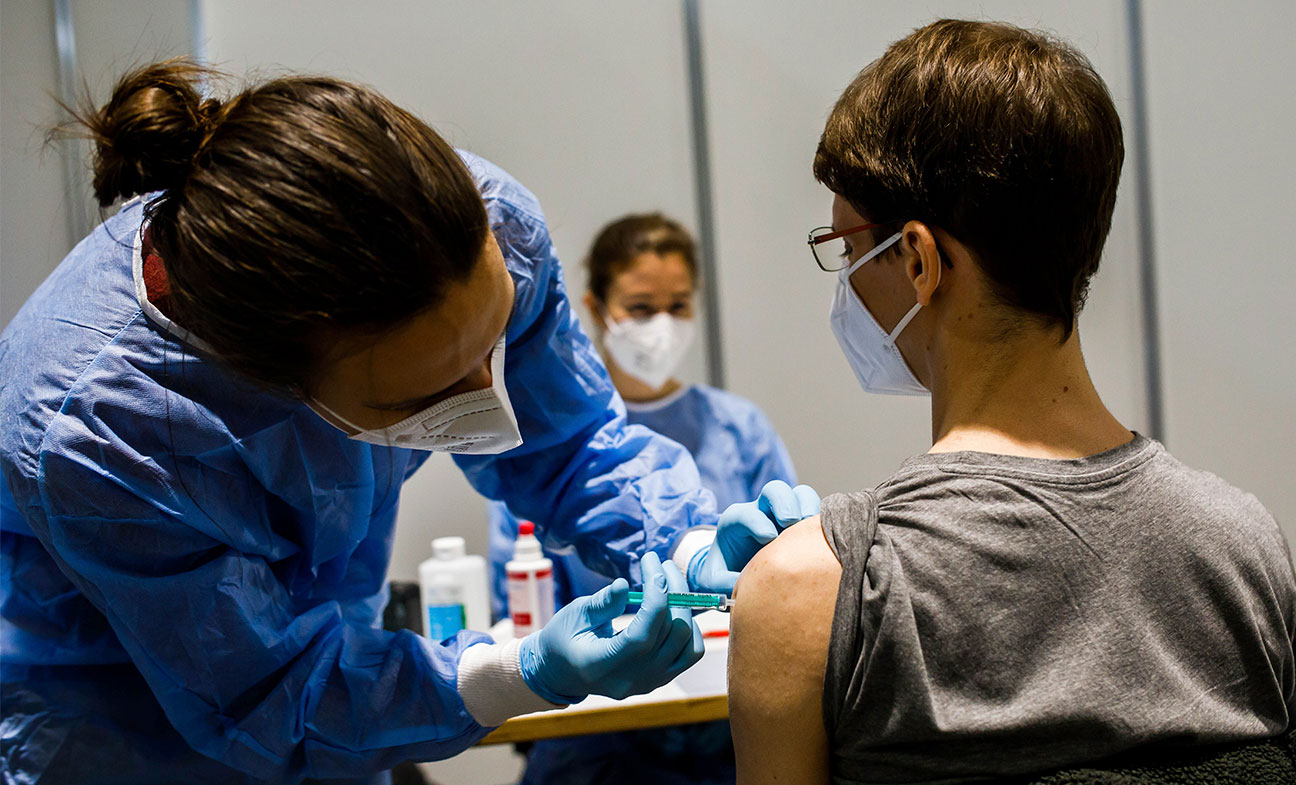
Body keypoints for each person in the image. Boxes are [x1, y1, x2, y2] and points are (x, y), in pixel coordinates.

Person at [0, 61, 817, 785]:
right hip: (117, 727)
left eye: (493, 341)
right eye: (430, 390)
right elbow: (270, 692)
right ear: (281, 383)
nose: (490, 396)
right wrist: (519, 671)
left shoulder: (476, 224)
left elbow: (568, 439)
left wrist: (684, 542)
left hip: (337, 682)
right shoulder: (101, 430)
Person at [727, 19, 1296, 783]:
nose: (844, 284)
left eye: (849, 251)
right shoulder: (1245, 547)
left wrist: (781, 578)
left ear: (917, 259)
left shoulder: (812, 591)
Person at [488, 213, 799, 784]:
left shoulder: (737, 428)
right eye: (640, 306)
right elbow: (523, 600)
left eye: (678, 305)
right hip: (596, 731)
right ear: (594, 306)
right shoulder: (552, 444)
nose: (660, 324)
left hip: (722, 722)